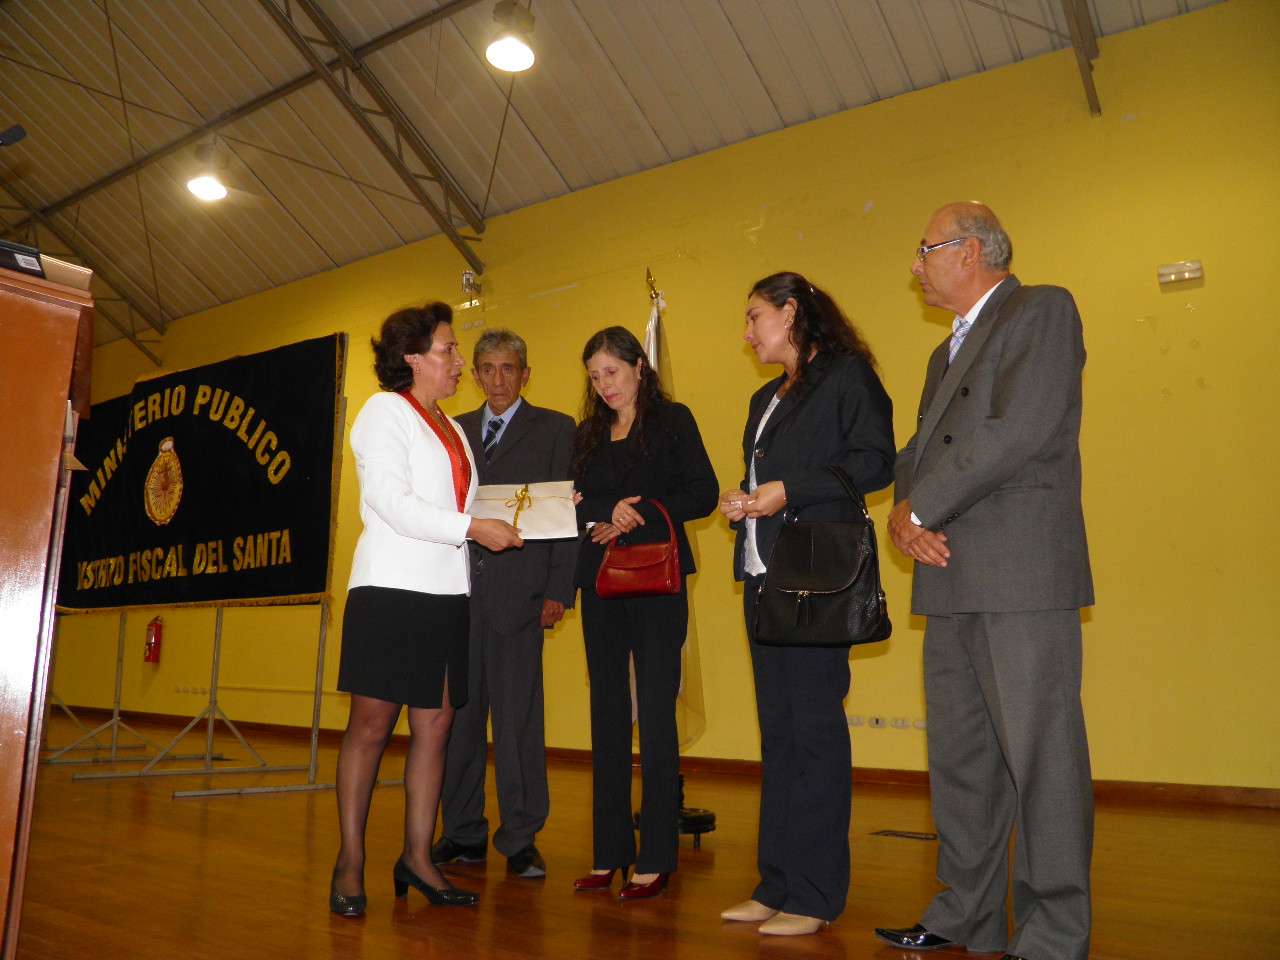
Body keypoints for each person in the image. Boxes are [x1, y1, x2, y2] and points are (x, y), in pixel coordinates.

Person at [874, 202, 1094, 960]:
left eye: (924, 249)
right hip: (948, 571)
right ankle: (965, 915)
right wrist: (905, 519)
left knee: (1042, 760)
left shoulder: (1041, 310)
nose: (916, 266)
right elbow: (916, 451)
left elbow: (1019, 429)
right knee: (962, 763)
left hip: (1019, 572)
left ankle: (1053, 933)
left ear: (969, 252)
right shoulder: (944, 353)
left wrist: (919, 507)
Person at [330, 302, 522, 917]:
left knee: (436, 727)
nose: (460, 361)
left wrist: (542, 508)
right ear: (412, 358)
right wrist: (473, 527)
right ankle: (350, 862)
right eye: (448, 349)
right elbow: (392, 500)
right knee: (371, 727)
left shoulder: (452, 428)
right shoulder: (384, 412)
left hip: (446, 594)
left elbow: (468, 505)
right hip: (390, 591)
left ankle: (417, 857)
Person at [718, 272, 895, 937]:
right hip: (765, 578)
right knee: (780, 736)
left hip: (818, 579)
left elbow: (876, 461)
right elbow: (765, 480)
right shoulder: (764, 396)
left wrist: (787, 491)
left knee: (815, 735)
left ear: (791, 313)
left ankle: (815, 896)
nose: (747, 332)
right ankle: (776, 885)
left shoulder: (847, 377)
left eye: (754, 316)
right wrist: (746, 501)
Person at [570, 326, 717, 900]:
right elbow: (572, 501)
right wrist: (606, 510)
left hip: (658, 579)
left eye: (611, 372)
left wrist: (641, 514)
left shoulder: (673, 421)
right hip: (600, 582)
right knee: (606, 713)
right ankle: (609, 852)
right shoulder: (587, 433)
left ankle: (656, 857)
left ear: (638, 366)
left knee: (656, 714)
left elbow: (702, 493)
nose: (603, 385)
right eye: (594, 377)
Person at [431, 329, 577, 880]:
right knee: (459, 722)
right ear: (474, 375)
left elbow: (566, 516)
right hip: (458, 593)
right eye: (488, 369)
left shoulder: (556, 429)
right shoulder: (452, 429)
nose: (498, 379)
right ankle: (462, 832)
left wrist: (560, 589)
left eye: (508, 368)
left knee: (517, 724)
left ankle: (520, 838)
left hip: (523, 597)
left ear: (525, 374)